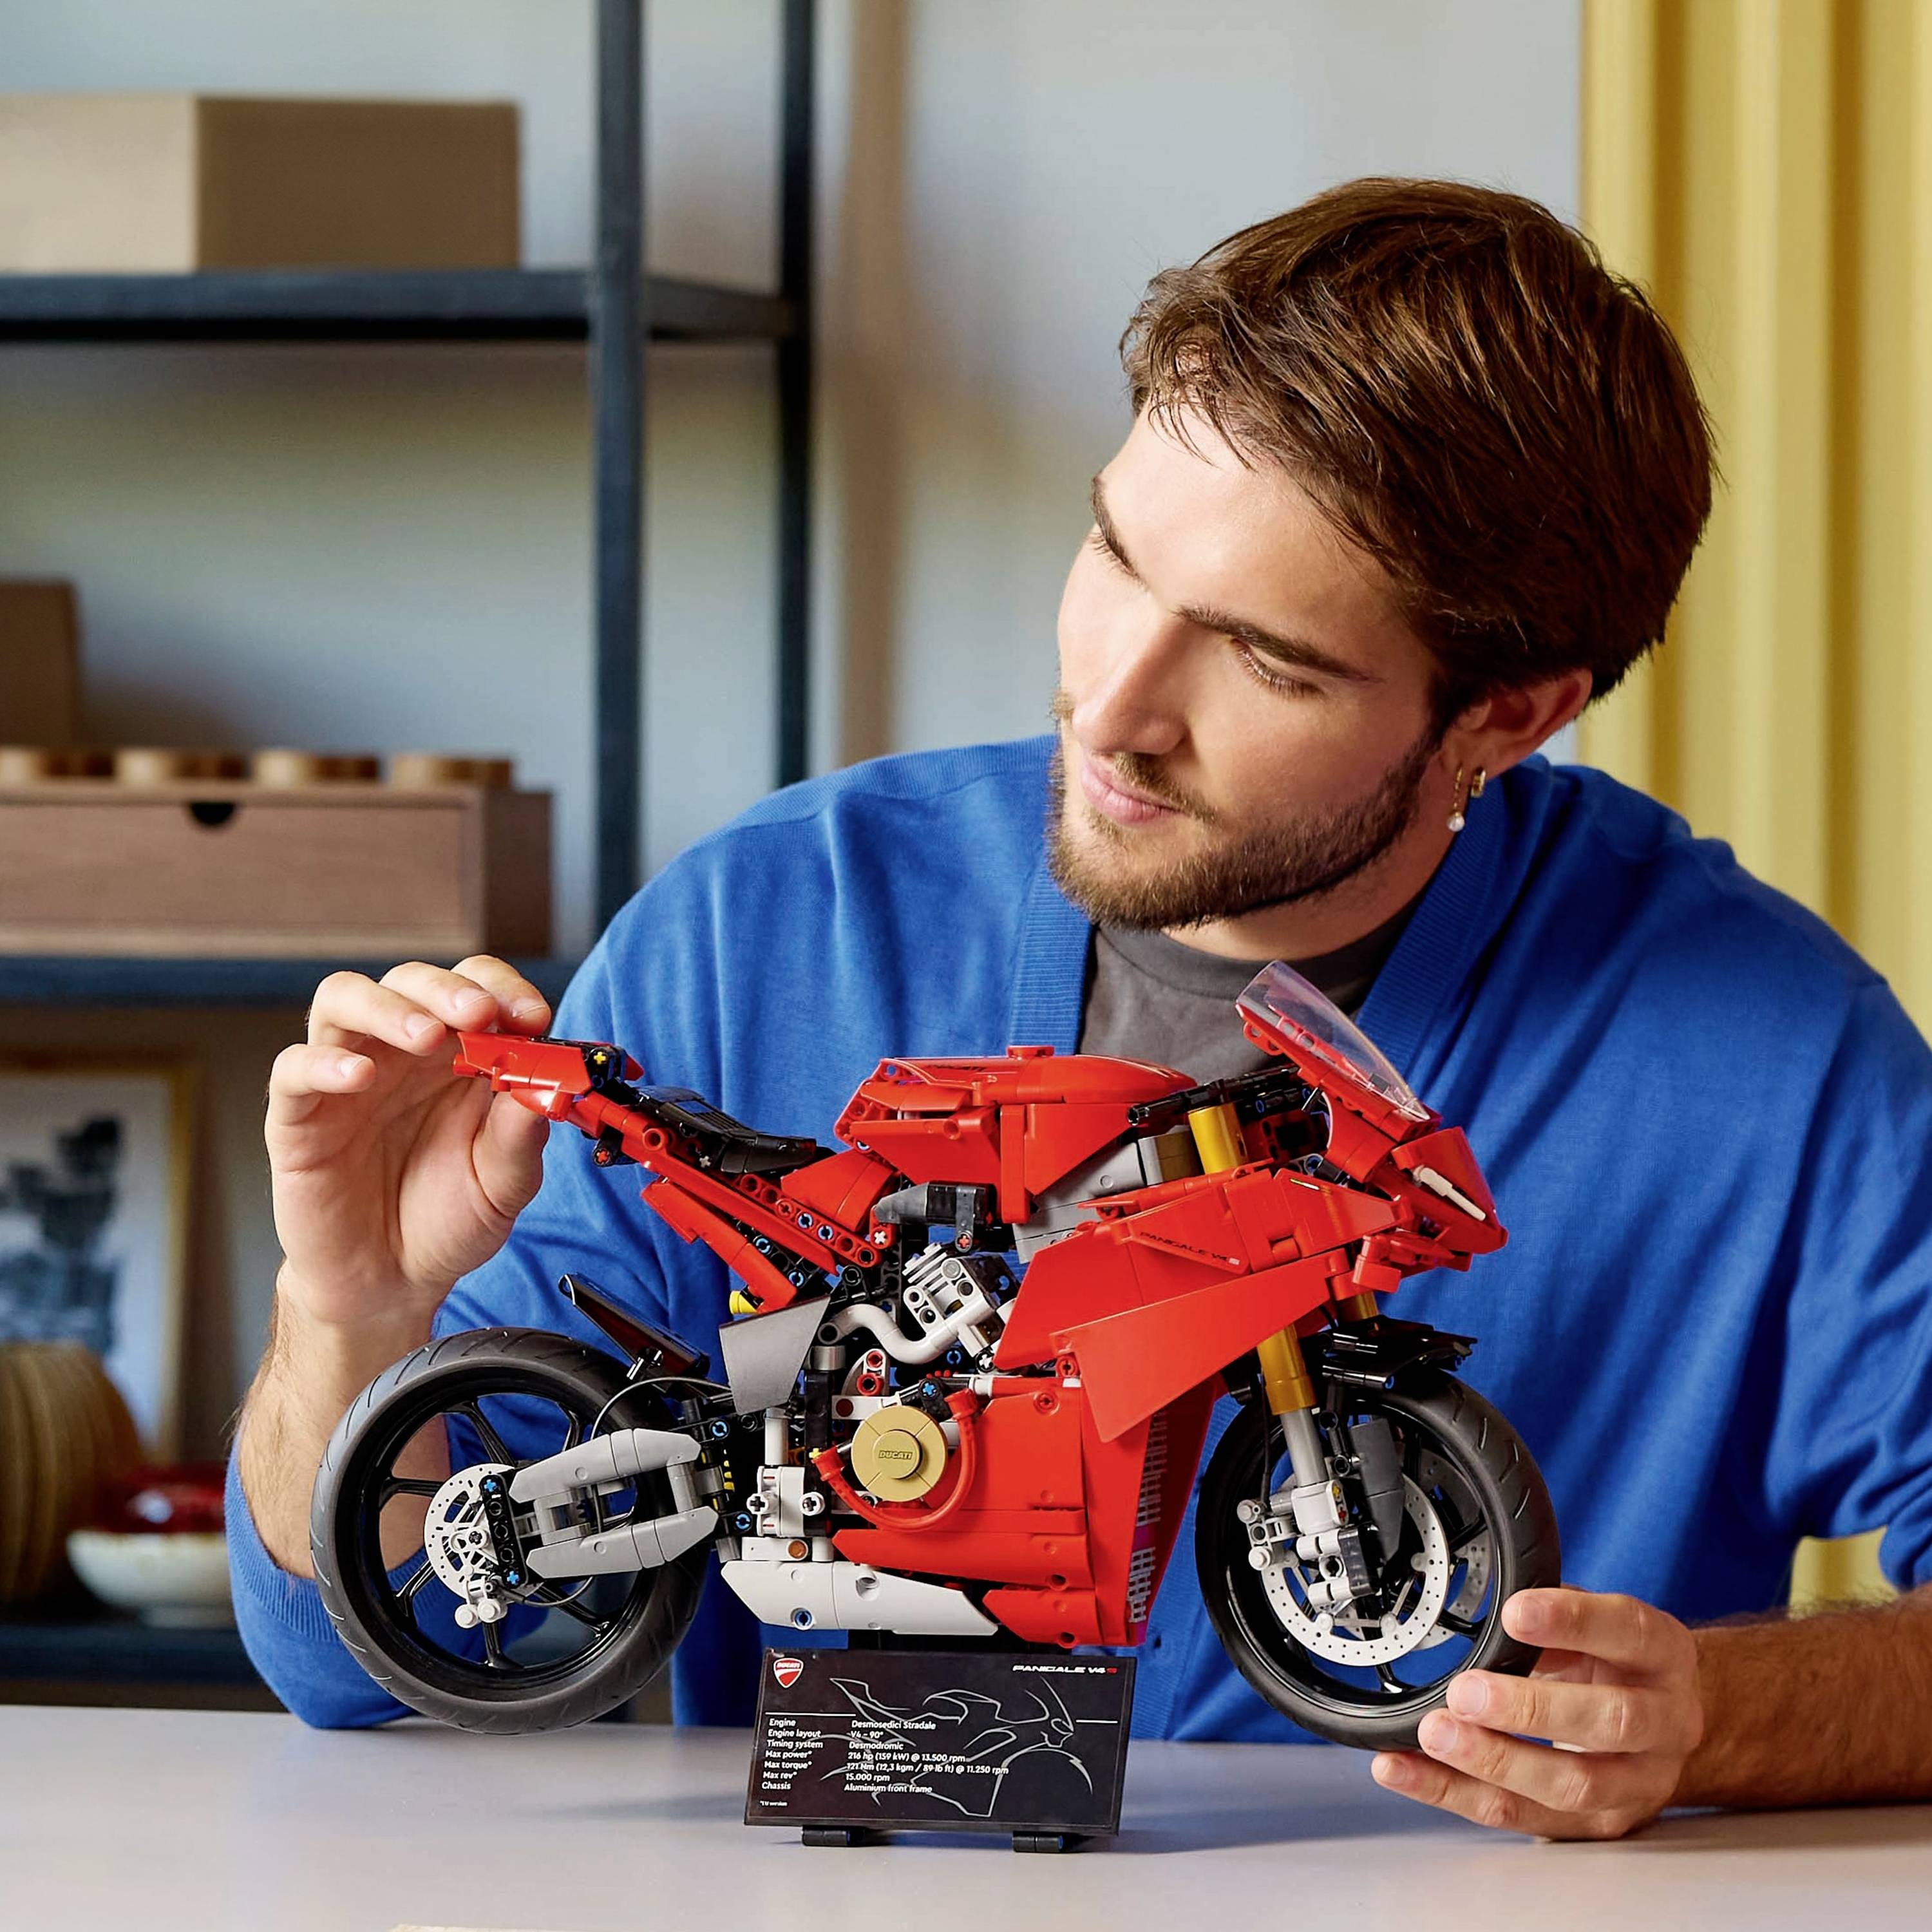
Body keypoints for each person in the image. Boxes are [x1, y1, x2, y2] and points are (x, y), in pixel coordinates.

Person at [231, 178, 1932, 1839]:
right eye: (1116, 552)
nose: (1112, 710)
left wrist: (1725, 1718)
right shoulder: (773, 922)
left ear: (1509, 713)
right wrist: (353, 1312)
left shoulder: (1776, 1060)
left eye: (1266, 659)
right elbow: (371, 1664)